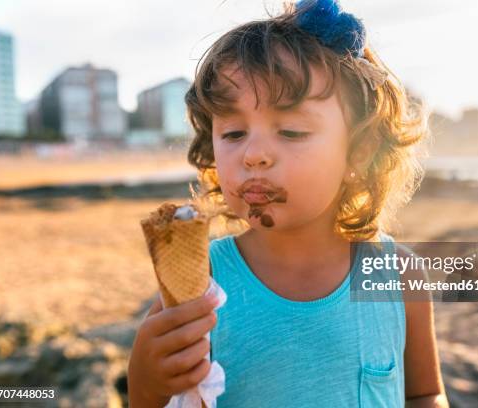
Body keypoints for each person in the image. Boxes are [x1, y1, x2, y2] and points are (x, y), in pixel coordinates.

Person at [128, 0, 448, 406]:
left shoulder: (400, 277)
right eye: (233, 133)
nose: (254, 154)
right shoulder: (201, 286)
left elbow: (424, 393)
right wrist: (145, 379)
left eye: (292, 131)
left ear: (360, 152)